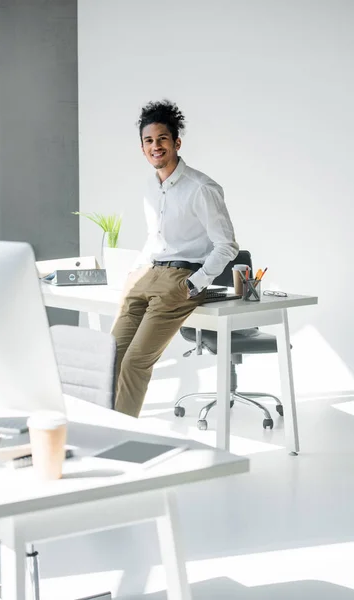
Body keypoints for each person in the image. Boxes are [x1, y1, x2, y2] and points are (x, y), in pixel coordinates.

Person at [112, 99, 239, 417]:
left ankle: (121, 437)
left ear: (176, 142)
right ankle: (96, 432)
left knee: (135, 362)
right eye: (149, 141)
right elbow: (154, 238)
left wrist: (195, 284)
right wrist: (135, 271)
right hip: (147, 275)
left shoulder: (201, 188)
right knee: (108, 357)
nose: (155, 146)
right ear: (142, 148)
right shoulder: (149, 187)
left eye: (162, 139)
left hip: (178, 281)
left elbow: (226, 246)